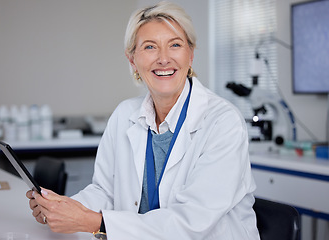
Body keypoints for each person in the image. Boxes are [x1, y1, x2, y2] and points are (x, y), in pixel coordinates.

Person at [27, 2, 260, 239]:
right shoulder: (124, 114)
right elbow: (105, 191)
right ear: (132, 60)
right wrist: (61, 208)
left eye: (175, 45)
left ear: (190, 55)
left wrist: (94, 222)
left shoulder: (223, 122)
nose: (163, 59)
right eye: (150, 47)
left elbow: (191, 222)